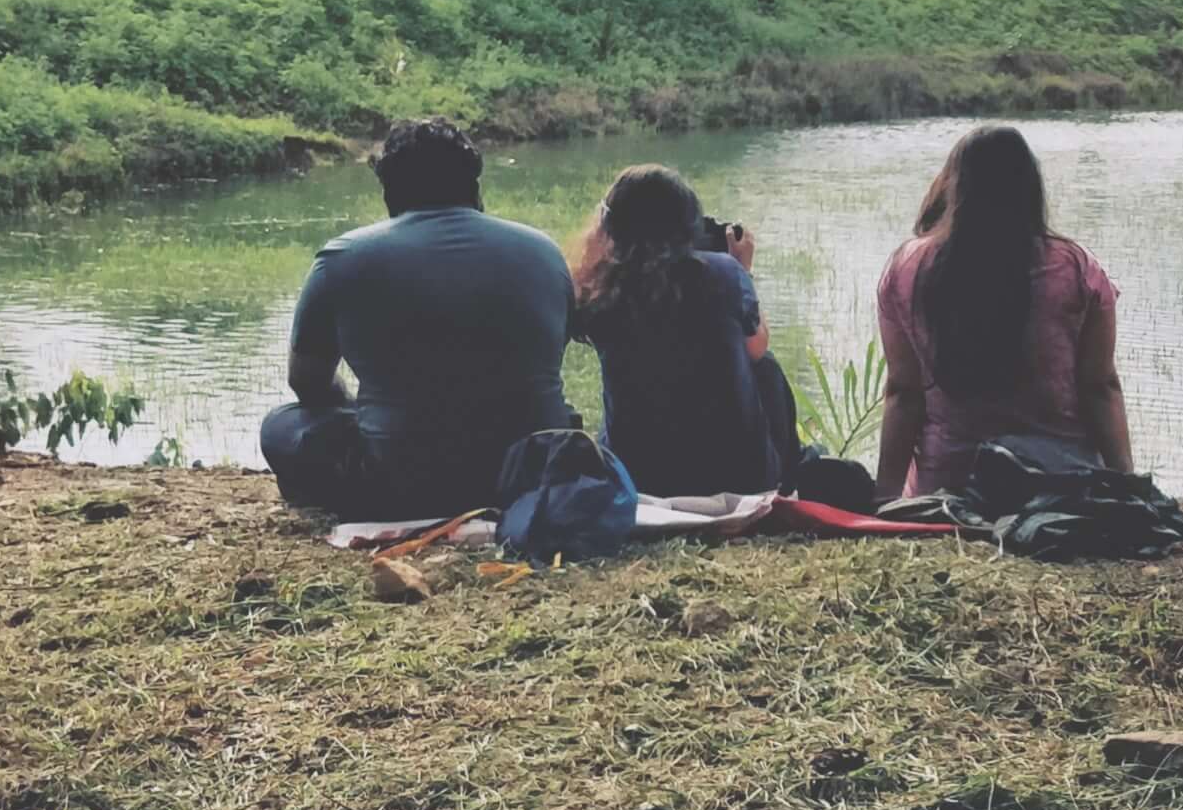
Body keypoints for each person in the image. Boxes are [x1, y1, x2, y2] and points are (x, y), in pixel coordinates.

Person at [258, 117, 579, 518]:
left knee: (280, 425)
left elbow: (306, 381)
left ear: (389, 193)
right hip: (534, 474)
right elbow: (548, 356)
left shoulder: (343, 258)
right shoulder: (544, 251)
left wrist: (357, 411)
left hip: (403, 488)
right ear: (475, 187)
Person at [875, 124, 1131, 498]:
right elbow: (1100, 386)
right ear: (1030, 189)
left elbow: (903, 392)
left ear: (954, 187)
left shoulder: (906, 269)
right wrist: (1128, 487)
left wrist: (885, 498)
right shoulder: (1076, 269)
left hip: (950, 486)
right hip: (1059, 485)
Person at [569, 163, 801, 497]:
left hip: (639, 479)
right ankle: (785, 484)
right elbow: (756, 347)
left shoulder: (600, 288)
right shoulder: (723, 273)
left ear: (610, 226)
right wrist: (743, 270)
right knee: (766, 367)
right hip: (739, 478)